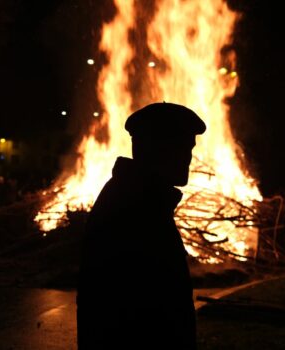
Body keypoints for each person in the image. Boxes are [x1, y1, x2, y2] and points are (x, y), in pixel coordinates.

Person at [76, 102, 206, 349]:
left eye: (189, 148)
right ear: (155, 148)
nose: (188, 158)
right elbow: (136, 311)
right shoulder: (134, 208)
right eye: (181, 147)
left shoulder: (145, 200)